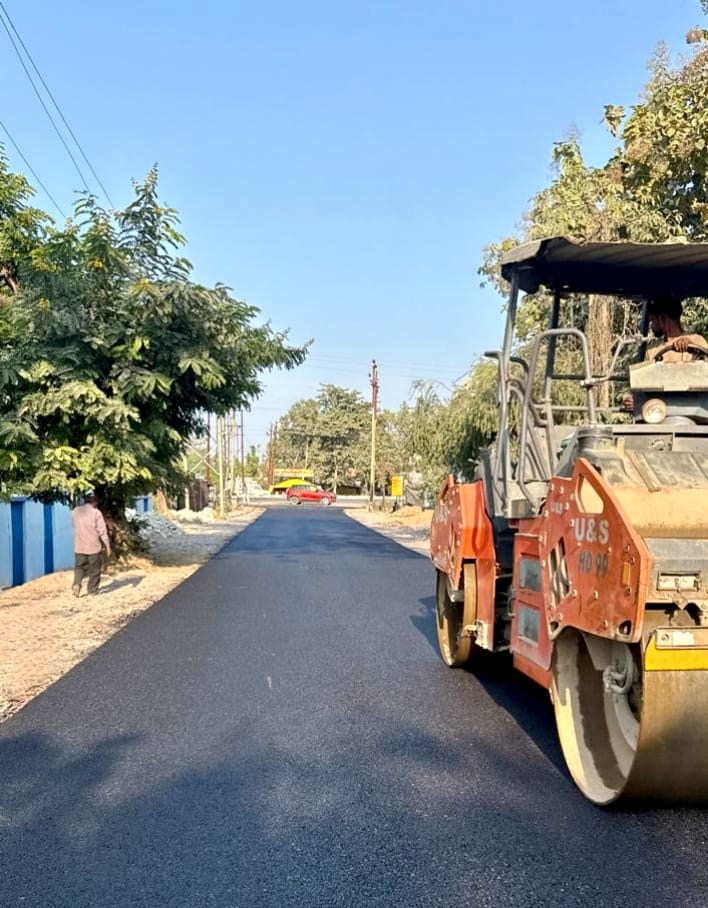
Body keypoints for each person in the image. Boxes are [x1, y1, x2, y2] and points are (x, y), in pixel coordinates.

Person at [71, 492, 111, 597]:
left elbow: (74, 525)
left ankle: (76, 584)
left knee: (79, 567)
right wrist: (107, 545)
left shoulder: (75, 511)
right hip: (93, 547)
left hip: (79, 546)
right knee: (95, 569)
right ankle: (92, 590)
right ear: (95, 502)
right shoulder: (96, 513)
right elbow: (102, 531)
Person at [646, 297, 708, 361]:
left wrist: (694, 348)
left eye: (652, 320)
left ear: (663, 319)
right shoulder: (651, 350)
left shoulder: (697, 341)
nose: (651, 326)